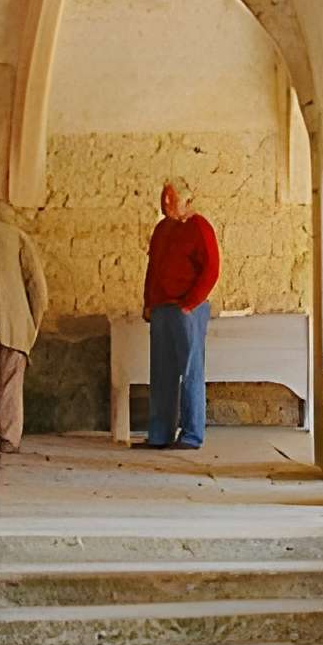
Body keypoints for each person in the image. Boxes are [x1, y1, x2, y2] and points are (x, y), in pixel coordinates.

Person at [141, 178, 220, 450]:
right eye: (163, 198)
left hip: (186, 308)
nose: (164, 203)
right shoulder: (162, 229)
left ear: (187, 200)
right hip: (162, 308)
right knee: (161, 371)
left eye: (170, 198)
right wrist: (148, 302)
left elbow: (211, 270)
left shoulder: (200, 227)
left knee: (190, 370)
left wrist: (190, 303)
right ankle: (160, 434)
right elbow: (153, 269)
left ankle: (191, 435)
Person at [0, 187, 49, 457]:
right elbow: (38, 290)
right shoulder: (16, 236)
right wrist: (31, 328)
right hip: (13, 324)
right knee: (9, 384)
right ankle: (6, 440)